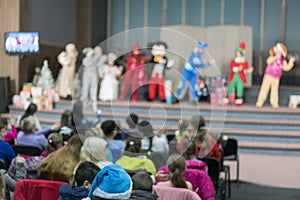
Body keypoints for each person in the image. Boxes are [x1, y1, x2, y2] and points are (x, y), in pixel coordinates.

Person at [256, 42, 296, 108]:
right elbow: (268, 61)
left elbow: (286, 68)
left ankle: (274, 103)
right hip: (268, 75)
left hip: (276, 77)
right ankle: (259, 102)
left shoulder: (283, 61)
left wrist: (291, 62)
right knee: (264, 89)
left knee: (274, 90)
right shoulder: (272, 57)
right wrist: (274, 58)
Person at [80, 46, 106, 113]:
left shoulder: (95, 59)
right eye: (89, 52)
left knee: (94, 88)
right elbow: (89, 64)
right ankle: (84, 103)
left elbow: (98, 64)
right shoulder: (85, 60)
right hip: (87, 74)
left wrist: (101, 58)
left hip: (94, 74)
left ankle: (94, 104)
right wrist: (96, 57)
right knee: (85, 87)